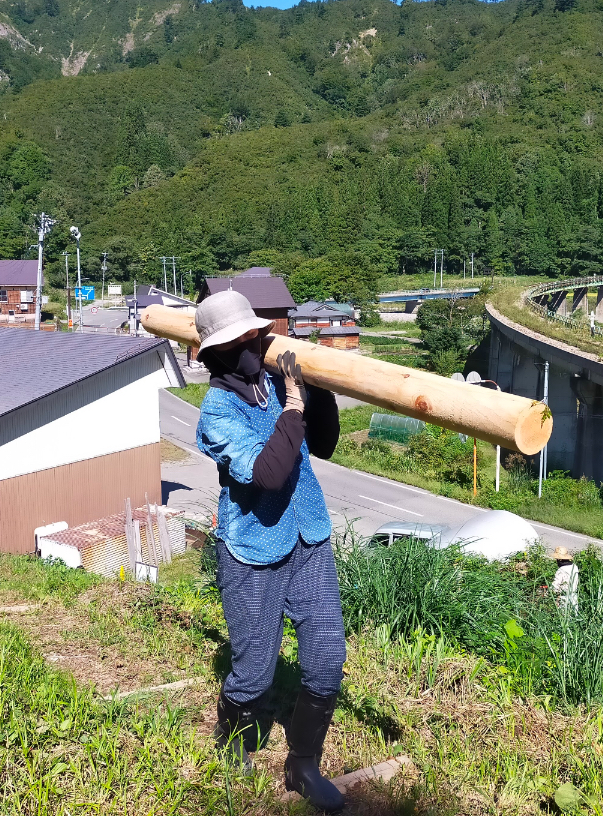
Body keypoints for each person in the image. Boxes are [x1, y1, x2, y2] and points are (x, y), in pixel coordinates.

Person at [194, 289, 346, 813]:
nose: (255, 346)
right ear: (216, 354)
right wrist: (294, 403)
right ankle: (232, 740)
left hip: (309, 537)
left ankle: (303, 764)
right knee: (255, 671)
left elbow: (323, 443)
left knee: (327, 659)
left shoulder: (278, 384)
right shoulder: (216, 413)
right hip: (253, 551)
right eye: (242, 341)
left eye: (256, 335)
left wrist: (317, 390)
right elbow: (269, 473)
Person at [552, 546, 579, 613]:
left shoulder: (561, 570)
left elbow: (555, 586)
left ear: (559, 560)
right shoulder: (574, 567)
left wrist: (548, 593)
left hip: (564, 597)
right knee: (573, 615)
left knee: (563, 615)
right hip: (574, 596)